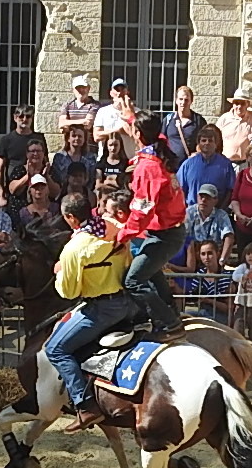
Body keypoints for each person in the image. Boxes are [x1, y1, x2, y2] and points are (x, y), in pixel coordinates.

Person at [38, 192, 134, 431]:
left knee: (55, 349)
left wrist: (60, 271)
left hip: (101, 308)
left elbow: (68, 293)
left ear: (71, 218)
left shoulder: (73, 248)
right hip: (128, 300)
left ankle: (85, 405)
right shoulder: (114, 226)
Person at [117, 116, 187, 342]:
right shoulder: (159, 151)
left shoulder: (147, 166)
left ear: (137, 134)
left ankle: (170, 323)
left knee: (132, 281)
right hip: (169, 231)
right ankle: (170, 312)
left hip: (164, 235)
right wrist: (130, 115)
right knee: (152, 271)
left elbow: (142, 210)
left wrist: (122, 235)